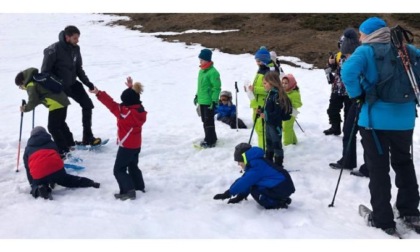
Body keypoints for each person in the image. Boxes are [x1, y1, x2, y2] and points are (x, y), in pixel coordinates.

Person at [341, 17, 420, 235]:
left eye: (361, 33)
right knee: (404, 163)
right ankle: (410, 211)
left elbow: (347, 72)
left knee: (378, 168)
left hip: (374, 122)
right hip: (404, 120)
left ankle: (383, 220)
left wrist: (358, 95)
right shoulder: (407, 49)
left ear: (368, 33)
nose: (360, 37)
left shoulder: (365, 51)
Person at [41, 25, 101, 146]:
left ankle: (88, 137)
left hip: (73, 84)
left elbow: (78, 69)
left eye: (78, 38)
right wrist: (58, 84)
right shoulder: (53, 49)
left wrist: (88, 83)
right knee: (60, 119)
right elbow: (45, 72)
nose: (77, 40)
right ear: (67, 37)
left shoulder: (76, 49)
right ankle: (67, 143)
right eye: (75, 38)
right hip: (58, 88)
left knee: (88, 105)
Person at [89, 77, 147, 200]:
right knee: (133, 166)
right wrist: (131, 89)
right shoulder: (139, 110)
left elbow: (111, 104)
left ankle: (128, 191)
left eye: (124, 102)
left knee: (118, 169)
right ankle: (139, 186)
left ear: (127, 103)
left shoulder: (124, 113)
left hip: (127, 146)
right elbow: (133, 99)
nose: (122, 104)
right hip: (136, 145)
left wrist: (99, 93)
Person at [328, 28, 368, 178]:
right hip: (354, 99)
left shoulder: (362, 59)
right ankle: (348, 160)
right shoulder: (345, 57)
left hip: (362, 100)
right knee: (349, 130)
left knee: (366, 134)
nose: (345, 55)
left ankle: (369, 166)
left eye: (347, 53)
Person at [23, 126, 100, 200]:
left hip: (39, 173)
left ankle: (39, 190)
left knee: (36, 185)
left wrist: (32, 183)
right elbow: (57, 156)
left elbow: (27, 168)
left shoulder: (28, 149)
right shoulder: (51, 143)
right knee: (70, 180)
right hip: (56, 170)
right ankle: (90, 183)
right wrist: (60, 173)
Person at [213, 143, 295, 209]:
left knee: (255, 190)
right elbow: (247, 181)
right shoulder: (256, 162)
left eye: (239, 161)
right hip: (283, 185)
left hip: (282, 186)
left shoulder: (256, 167)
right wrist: (241, 196)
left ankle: (277, 203)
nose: (239, 164)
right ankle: (280, 198)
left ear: (244, 159)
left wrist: (228, 193)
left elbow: (245, 182)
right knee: (254, 185)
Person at [15, 67, 74, 157]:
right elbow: (40, 97)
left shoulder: (30, 85)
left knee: (52, 127)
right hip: (62, 100)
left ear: (22, 81)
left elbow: (33, 101)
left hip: (56, 103)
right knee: (60, 124)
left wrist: (25, 108)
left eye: (20, 86)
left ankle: (63, 150)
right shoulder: (36, 79)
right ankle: (70, 144)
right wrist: (30, 105)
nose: (21, 88)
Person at [247, 46, 280, 149]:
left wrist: (255, 89)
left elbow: (271, 89)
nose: (257, 62)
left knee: (262, 130)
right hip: (257, 103)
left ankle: (265, 151)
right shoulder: (261, 69)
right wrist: (250, 88)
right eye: (256, 60)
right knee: (258, 128)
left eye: (259, 60)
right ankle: (263, 149)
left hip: (264, 104)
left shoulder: (270, 72)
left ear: (264, 60)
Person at [258, 71, 292, 167]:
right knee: (269, 143)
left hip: (275, 125)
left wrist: (266, 115)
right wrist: (261, 110)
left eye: (265, 83)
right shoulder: (270, 94)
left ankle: (278, 164)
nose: (263, 85)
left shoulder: (277, 96)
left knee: (276, 144)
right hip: (269, 124)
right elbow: (268, 108)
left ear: (272, 82)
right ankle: (269, 162)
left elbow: (277, 113)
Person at [323, 35, 352, 136]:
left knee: (349, 112)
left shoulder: (355, 56)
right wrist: (330, 64)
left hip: (350, 90)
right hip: (337, 88)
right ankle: (335, 127)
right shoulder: (337, 55)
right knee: (332, 109)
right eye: (341, 44)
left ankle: (347, 131)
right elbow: (330, 70)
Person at [193, 48, 221, 148]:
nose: (200, 62)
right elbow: (201, 86)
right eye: (200, 60)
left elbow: (216, 88)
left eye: (202, 60)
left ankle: (210, 141)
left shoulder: (213, 72)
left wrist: (214, 100)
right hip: (202, 100)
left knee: (209, 121)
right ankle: (210, 137)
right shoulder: (201, 71)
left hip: (209, 101)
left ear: (208, 60)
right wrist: (197, 96)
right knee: (205, 121)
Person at [281, 74, 302, 146]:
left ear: (291, 84)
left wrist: (290, 105)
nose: (284, 85)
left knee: (287, 128)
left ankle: (288, 143)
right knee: (288, 127)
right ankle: (293, 141)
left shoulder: (294, 93)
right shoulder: (284, 92)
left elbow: (299, 103)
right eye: (282, 83)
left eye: (286, 83)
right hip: (285, 112)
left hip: (292, 112)